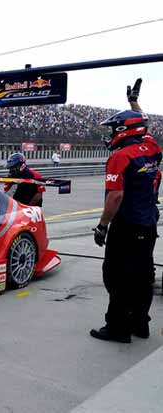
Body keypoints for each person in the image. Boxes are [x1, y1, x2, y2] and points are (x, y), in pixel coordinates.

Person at [91, 78, 161, 343]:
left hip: (127, 225)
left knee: (116, 276)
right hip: (148, 224)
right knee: (143, 276)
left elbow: (116, 195)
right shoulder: (152, 146)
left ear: (122, 130)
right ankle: (140, 324)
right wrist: (133, 102)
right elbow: (143, 123)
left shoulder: (119, 157)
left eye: (113, 130)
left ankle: (118, 327)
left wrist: (102, 225)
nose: (111, 135)